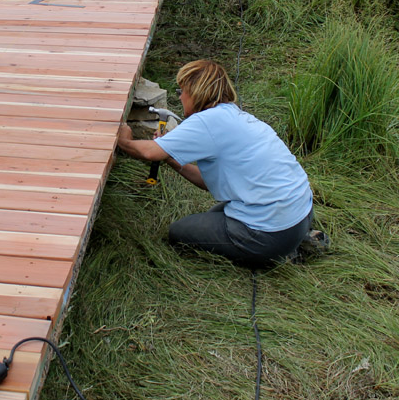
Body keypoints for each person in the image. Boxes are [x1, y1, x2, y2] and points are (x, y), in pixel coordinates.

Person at [117, 60, 323, 268]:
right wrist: (170, 157)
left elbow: (148, 152)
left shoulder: (206, 122)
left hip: (268, 232)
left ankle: (276, 252)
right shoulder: (234, 116)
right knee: (211, 219)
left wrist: (125, 141)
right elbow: (208, 182)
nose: (179, 96)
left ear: (195, 92)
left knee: (179, 231)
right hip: (300, 213)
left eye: (182, 90)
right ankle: (299, 240)